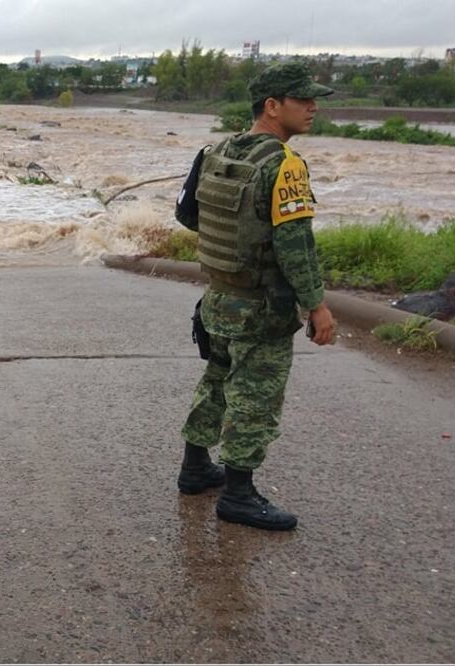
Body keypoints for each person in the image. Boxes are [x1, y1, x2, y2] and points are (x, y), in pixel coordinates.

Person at [174, 62, 336, 531]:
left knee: (216, 383)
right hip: (262, 308)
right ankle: (239, 496)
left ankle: (196, 468)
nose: (312, 107)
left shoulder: (214, 151)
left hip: (219, 299)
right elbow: (296, 246)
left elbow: (189, 216)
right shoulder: (283, 165)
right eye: (302, 100)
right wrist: (317, 307)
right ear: (272, 106)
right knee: (255, 397)